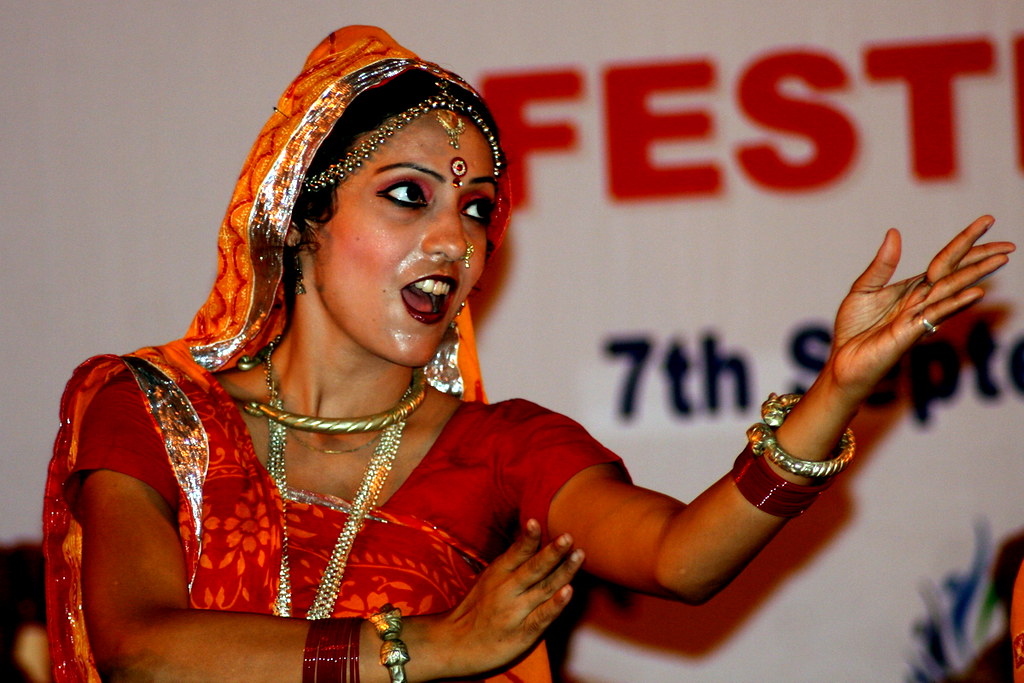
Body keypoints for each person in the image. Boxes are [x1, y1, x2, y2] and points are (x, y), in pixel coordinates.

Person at [43, 25, 1014, 683]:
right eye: (407, 195)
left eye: (474, 211)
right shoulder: (152, 408)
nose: (453, 241)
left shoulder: (500, 446)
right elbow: (143, 646)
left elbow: (681, 556)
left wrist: (837, 388)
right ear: (301, 218)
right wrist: (427, 646)